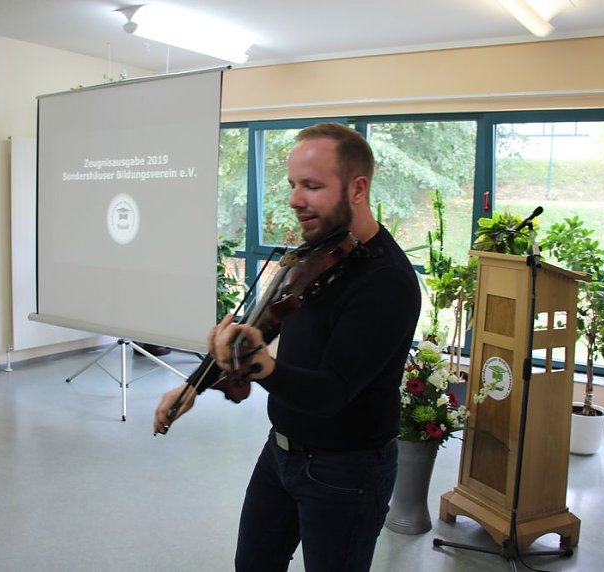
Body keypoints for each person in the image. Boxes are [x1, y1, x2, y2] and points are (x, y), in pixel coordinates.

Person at [153, 123, 420, 572]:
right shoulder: (320, 255)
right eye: (294, 184)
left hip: (347, 471)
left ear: (358, 188)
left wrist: (263, 368)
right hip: (280, 452)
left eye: (312, 186)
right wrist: (193, 385)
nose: (296, 199)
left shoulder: (386, 282)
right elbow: (259, 328)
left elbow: (333, 391)